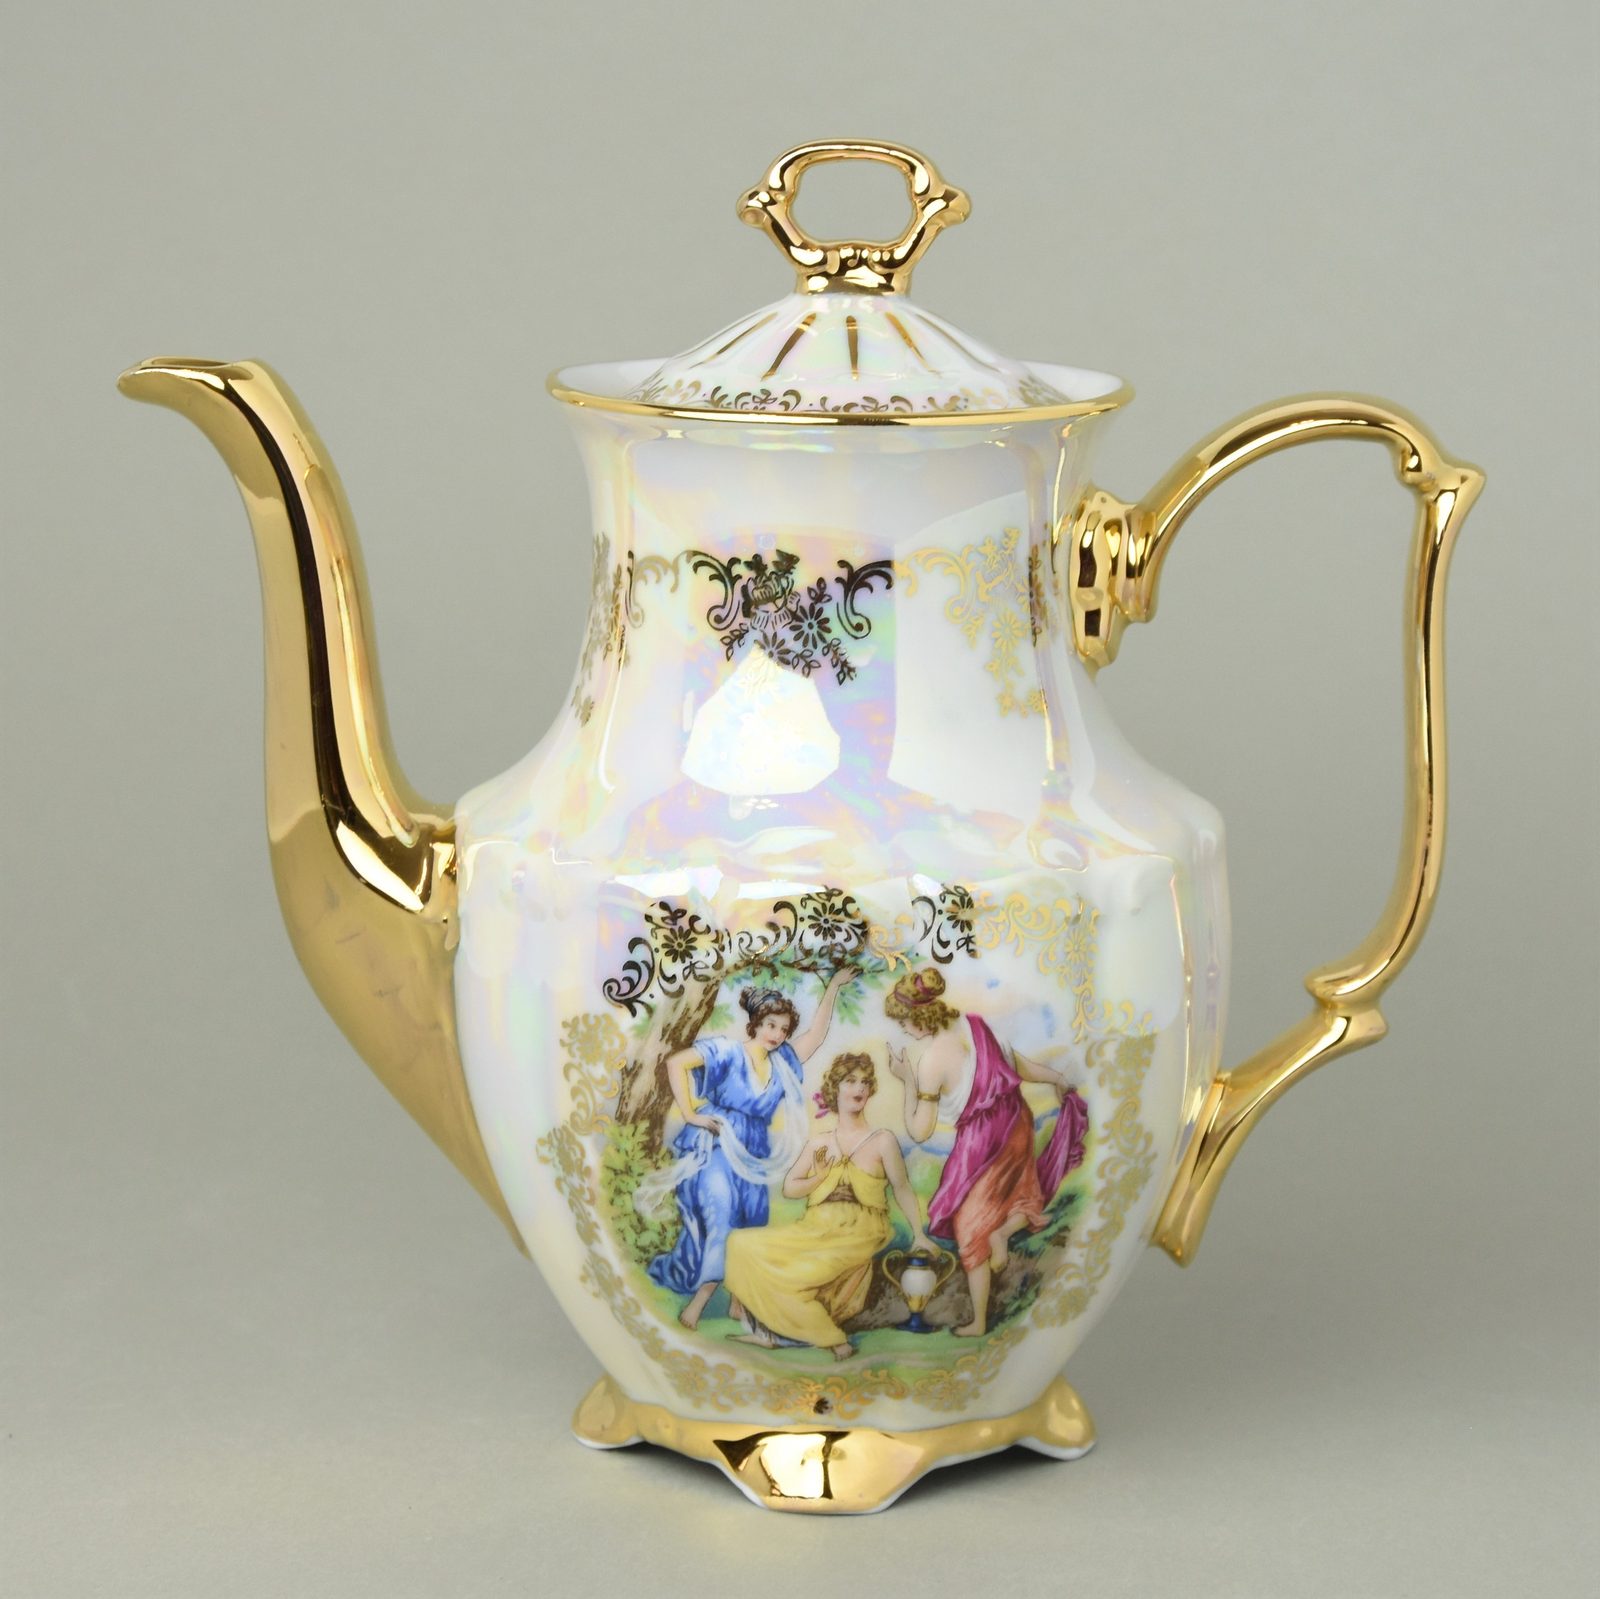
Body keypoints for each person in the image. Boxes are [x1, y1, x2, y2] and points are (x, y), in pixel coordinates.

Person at [641, 968, 855, 1330]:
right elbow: (676, 1063)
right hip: (718, 1145)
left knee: (749, 1224)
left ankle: (738, 1304)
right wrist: (691, 1113)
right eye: (771, 1025)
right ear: (755, 1024)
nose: (777, 1034)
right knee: (722, 1219)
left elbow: (817, 1036)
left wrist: (833, 985)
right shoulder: (727, 1051)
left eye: (783, 1029)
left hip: (753, 1150)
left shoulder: (782, 1061)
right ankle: (699, 1303)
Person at [885, 969, 1088, 1338]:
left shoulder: (930, 1061)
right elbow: (1019, 1065)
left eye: (903, 1023)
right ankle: (1004, 1232)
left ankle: (978, 1321)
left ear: (919, 1018)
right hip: (1016, 1122)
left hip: (982, 1141)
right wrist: (1057, 1079)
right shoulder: (977, 1026)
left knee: (969, 1225)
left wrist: (908, 1081)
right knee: (1022, 1192)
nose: (904, 1031)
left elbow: (919, 1130)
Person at [724, 1053, 936, 1360]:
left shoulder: (882, 1140)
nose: (859, 1088)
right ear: (835, 1088)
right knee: (740, 1243)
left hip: (860, 1230)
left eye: (865, 1082)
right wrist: (819, 1177)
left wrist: (919, 1234)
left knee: (797, 1276)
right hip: (815, 1226)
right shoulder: (819, 1142)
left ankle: (836, 1343)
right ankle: (765, 1331)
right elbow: (790, 1188)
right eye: (850, 1081)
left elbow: (902, 1188)